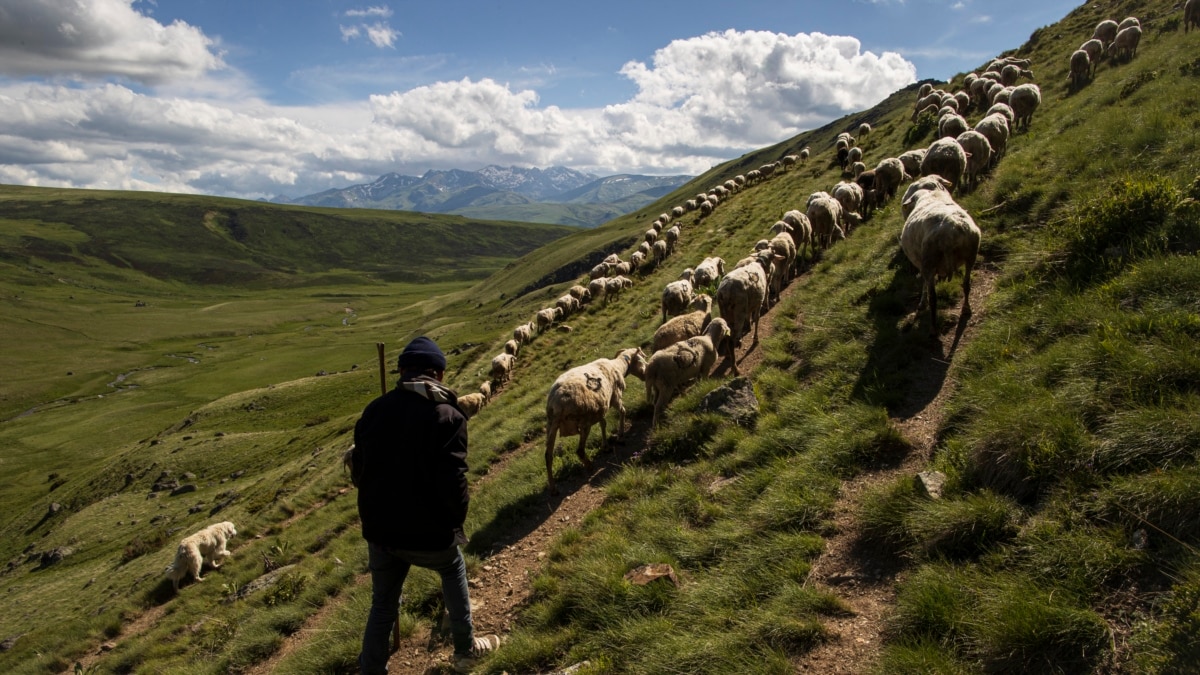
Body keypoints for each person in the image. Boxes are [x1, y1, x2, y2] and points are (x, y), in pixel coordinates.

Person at [352, 336, 500, 674]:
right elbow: (454, 481)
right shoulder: (448, 416)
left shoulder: (375, 411)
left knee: (383, 603)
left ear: (403, 372)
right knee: (452, 569)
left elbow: (359, 471)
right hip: (430, 533)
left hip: (381, 532)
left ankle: (371, 669)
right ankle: (464, 651)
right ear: (439, 375)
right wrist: (453, 524)